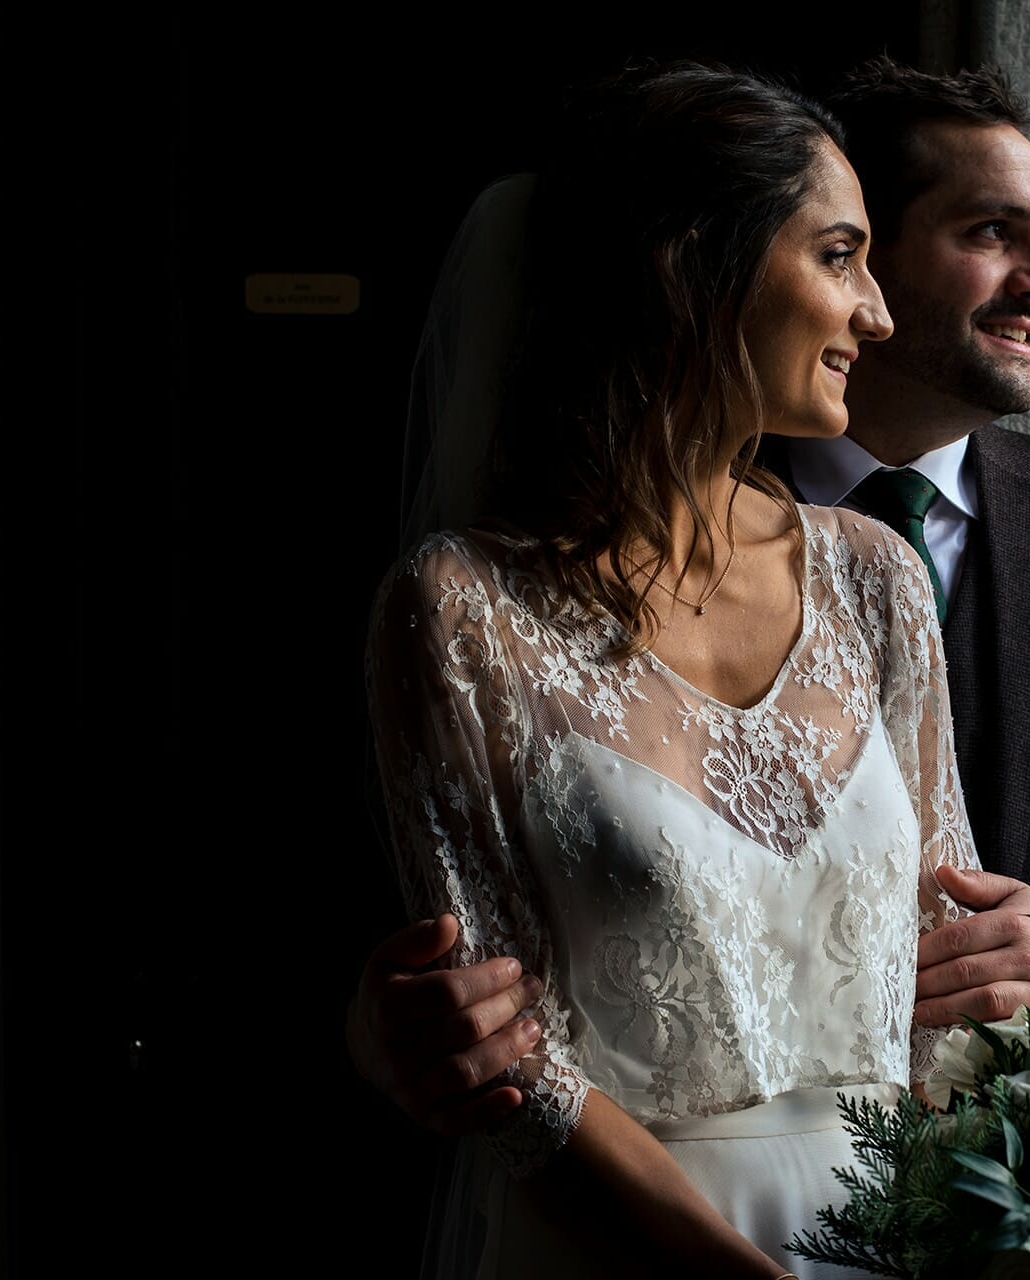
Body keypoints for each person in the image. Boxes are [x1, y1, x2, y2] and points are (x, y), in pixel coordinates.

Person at [351, 56, 1030, 1155]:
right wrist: (389, 1027)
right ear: (871, 252)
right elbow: (449, 912)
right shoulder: (529, 564)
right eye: (992, 232)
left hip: (1010, 1187)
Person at [367, 59, 973, 1278]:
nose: (881, 316)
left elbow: (947, 975)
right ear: (693, 262)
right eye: (840, 256)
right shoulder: (465, 610)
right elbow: (507, 1049)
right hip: (616, 1242)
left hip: (894, 1240)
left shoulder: (877, 579)